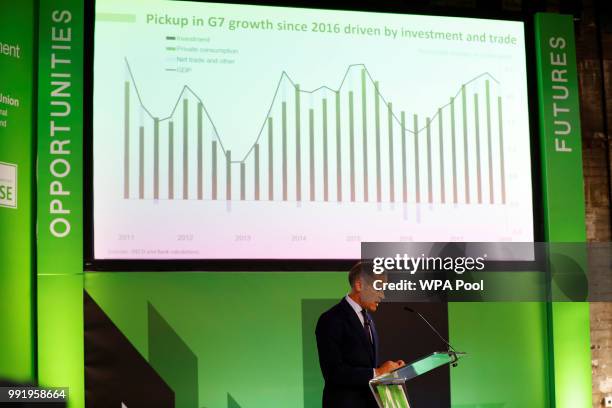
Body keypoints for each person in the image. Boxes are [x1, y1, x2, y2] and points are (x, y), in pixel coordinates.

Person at [315, 262, 406, 408]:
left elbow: (363, 365)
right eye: (379, 288)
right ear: (359, 286)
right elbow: (334, 373)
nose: (382, 295)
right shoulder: (331, 319)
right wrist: (377, 372)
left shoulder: (368, 319)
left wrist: (388, 370)